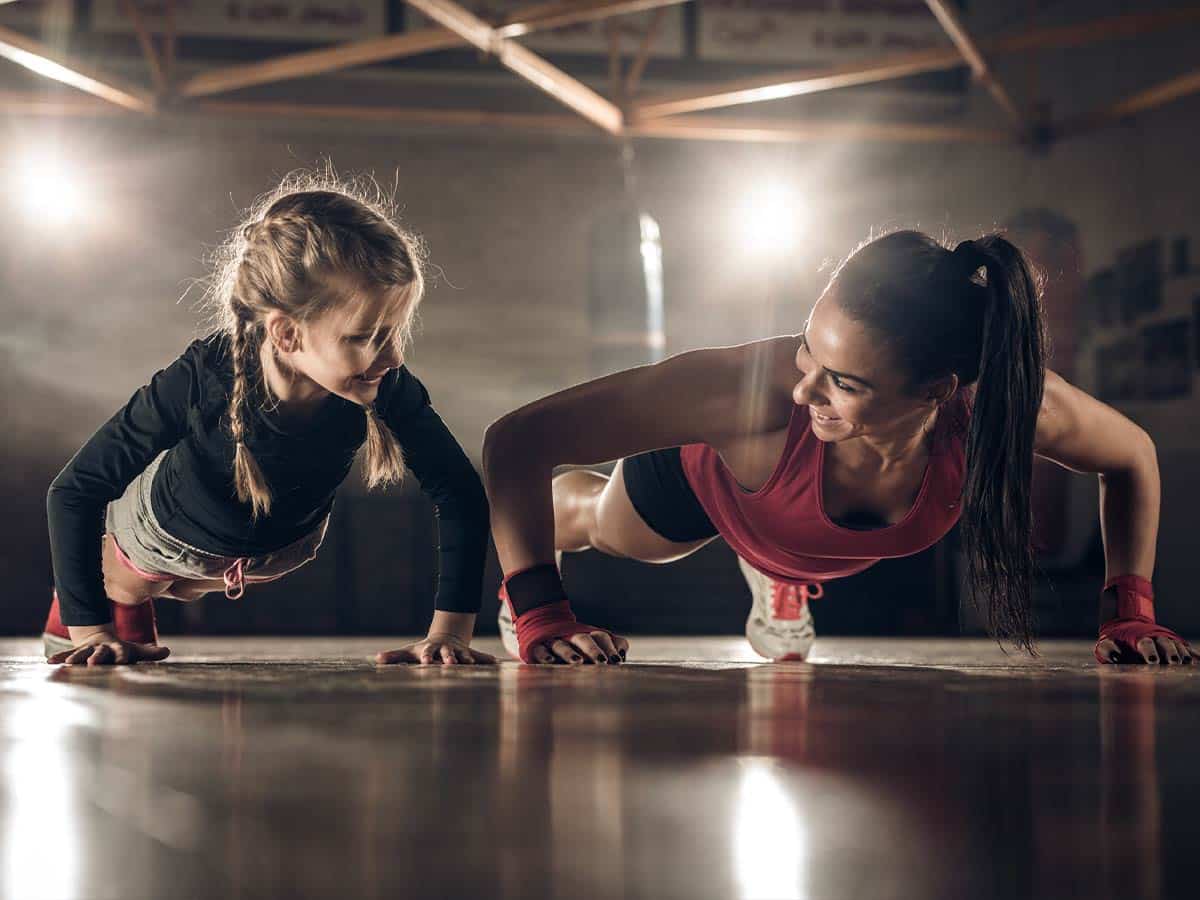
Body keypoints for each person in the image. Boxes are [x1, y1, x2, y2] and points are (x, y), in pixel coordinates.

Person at [482, 230, 1192, 667]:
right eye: (805, 352)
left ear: (935, 392)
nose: (803, 390)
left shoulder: (1000, 408)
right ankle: (586, 515)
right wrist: (540, 604)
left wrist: (1129, 607)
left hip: (791, 524)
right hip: (703, 481)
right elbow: (517, 439)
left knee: (789, 528)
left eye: (843, 382)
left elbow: (1132, 457)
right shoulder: (745, 394)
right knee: (615, 531)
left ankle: (775, 570)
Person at [44, 177, 493, 667]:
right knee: (145, 576)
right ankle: (118, 595)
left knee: (186, 583)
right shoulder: (204, 376)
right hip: (164, 534)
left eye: (395, 332)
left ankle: (154, 587)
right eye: (366, 336)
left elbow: (460, 490)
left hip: (284, 548)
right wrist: (91, 630)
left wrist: (451, 632)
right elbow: (74, 490)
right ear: (285, 333)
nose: (393, 355)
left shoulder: (382, 383)